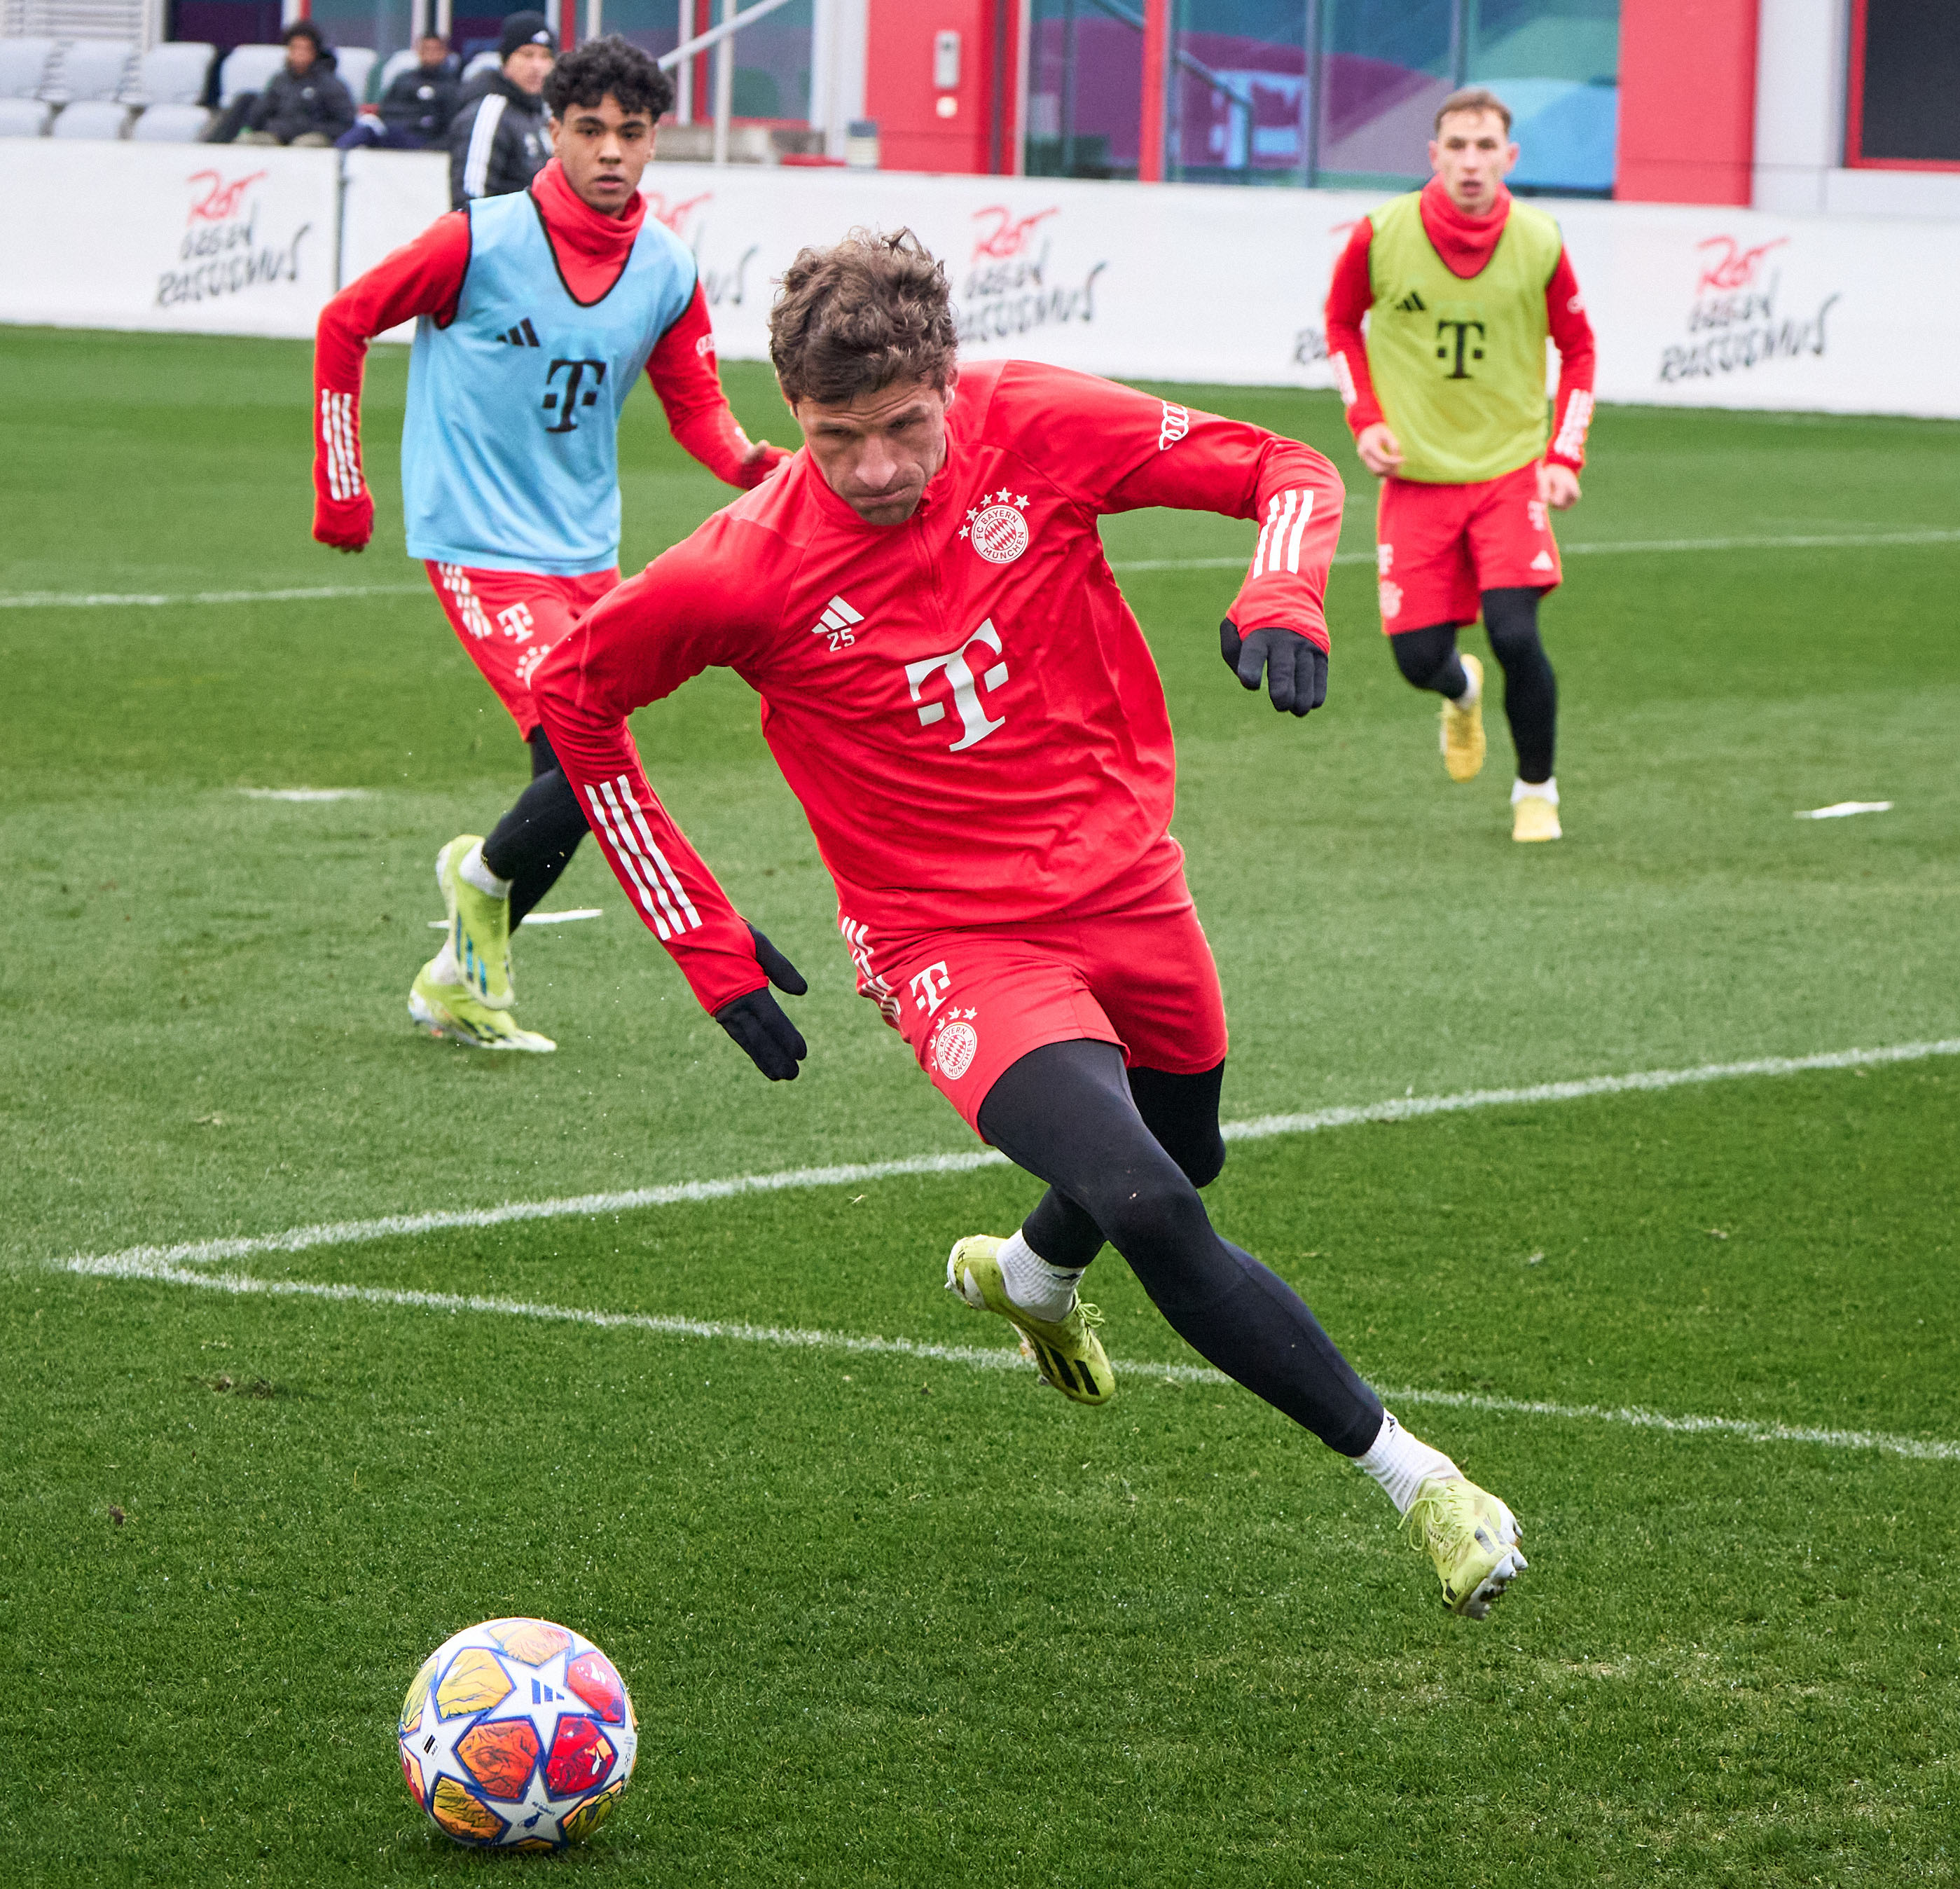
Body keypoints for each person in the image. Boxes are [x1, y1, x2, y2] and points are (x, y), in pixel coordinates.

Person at [533, 231, 1531, 1619]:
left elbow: (1283, 471)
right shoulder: (742, 566)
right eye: (835, 440)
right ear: (792, 421)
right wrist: (695, 930)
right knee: (1148, 1195)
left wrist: (1281, 587)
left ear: (949, 382)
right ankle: (1422, 1481)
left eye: (902, 428)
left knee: (1184, 1149)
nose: (875, 470)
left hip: (1125, 881)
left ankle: (1026, 1271)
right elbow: (570, 692)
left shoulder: (1038, 425)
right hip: (944, 938)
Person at [310, 35, 785, 1051]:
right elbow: (344, 322)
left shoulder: (665, 268)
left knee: (573, 778)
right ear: (554, 132)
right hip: (477, 543)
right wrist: (344, 485)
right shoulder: (475, 241)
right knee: (582, 760)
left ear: (656, 139)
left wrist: (752, 464)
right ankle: (477, 898)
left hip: (585, 554)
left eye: (632, 132)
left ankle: (457, 973)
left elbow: (695, 404)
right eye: (589, 131)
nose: (611, 152)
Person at [1323, 85, 1596, 844]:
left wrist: (1561, 454)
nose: (1470, 162)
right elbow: (1342, 324)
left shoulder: (1539, 240)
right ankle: (1459, 690)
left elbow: (1578, 349)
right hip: (1415, 479)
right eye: (1457, 147)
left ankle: (1535, 790)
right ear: (1432, 156)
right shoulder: (1379, 234)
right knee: (1418, 659)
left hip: (1508, 473)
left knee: (1514, 632)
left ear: (1508, 158)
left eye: (1485, 149)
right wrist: (1365, 419)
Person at [446, 13, 557, 209]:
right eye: (527, 54)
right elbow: (469, 205)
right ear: (506, 59)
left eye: (545, 56)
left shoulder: (540, 113)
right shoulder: (489, 112)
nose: (537, 66)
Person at [211, 23, 357, 148]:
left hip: (313, 138)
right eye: (294, 48)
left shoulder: (331, 84)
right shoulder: (280, 81)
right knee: (247, 142)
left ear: (314, 52)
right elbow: (261, 115)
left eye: (304, 49)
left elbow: (345, 123)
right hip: (277, 136)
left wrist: (306, 128)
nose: (299, 54)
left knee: (304, 145)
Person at [340, 33, 460, 151]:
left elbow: (450, 127)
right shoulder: (404, 79)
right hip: (394, 133)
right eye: (425, 50)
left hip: (424, 142)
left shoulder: (451, 86)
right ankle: (335, 159)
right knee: (363, 131)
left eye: (435, 50)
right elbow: (385, 109)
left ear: (445, 53)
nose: (430, 54)